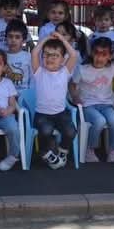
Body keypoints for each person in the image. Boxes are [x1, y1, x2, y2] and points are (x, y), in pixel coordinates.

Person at [30, 33, 79, 169]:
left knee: (71, 132)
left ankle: (63, 152)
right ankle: (45, 152)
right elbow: (34, 53)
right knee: (46, 131)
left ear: (63, 59)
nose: (50, 58)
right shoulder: (39, 72)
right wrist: (46, 39)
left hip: (60, 113)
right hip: (42, 114)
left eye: (55, 55)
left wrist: (62, 39)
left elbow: (73, 55)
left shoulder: (65, 72)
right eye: (46, 54)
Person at [75, 36, 114, 163]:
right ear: (92, 53)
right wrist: (75, 97)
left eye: (104, 54)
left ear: (110, 56)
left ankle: (113, 151)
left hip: (107, 104)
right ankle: (89, 150)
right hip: (88, 105)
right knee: (99, 121)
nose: (100, 58)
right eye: (97, 53)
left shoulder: (113, 67)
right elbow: (72, 84)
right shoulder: (82, 69)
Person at [4, 21, 32, 92]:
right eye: (10, 36)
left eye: (17, 37)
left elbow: (32, 79)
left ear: (24, 40)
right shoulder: (2, 56)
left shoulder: (29, 57)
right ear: (5, 38)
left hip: (23, 95)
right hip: (5, 95)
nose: (13, 40)